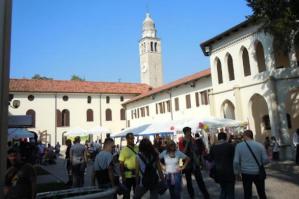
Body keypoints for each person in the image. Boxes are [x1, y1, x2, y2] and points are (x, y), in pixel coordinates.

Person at [234, 130, 269, 199]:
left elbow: (236, 161)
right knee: (262, 193)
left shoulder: (239, 146)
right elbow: (266, 160)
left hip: (246, 173)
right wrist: (260, 164)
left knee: (247, 193)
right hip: (258, 172)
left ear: (245, 136)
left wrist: (237, 173)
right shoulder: (260, 145)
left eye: (243, 136)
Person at [179, 127, 210, 199]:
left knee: (200, 180)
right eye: (189, 132)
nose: (190, 133)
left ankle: (206, 195)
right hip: (187, 164)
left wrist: (194, 145)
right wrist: (187, 143)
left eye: (190, 131)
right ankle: (192, 196)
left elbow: (196, 150)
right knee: (189, 182)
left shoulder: (193, 139)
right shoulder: (181, 141)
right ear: (185, 132)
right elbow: (182, 153)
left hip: (195, 163)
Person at [209, 132, 235, 199]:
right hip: (229, 171)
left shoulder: (213, 147)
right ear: (225, 137)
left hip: (218, 172)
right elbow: (235, 159)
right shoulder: (230, 146)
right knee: (230, 192)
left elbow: (210, 159)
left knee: (223, 190)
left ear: (218, 138)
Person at [119, 133, 138, 199]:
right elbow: (121, 164)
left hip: (136, 175)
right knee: (126, 194)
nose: (132, 140)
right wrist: (123, 176)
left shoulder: (137, 148)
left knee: (137, 194)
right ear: (127, 139)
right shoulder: (123, 150)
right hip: (127, 176)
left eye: (133, 138)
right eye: (131, 138)